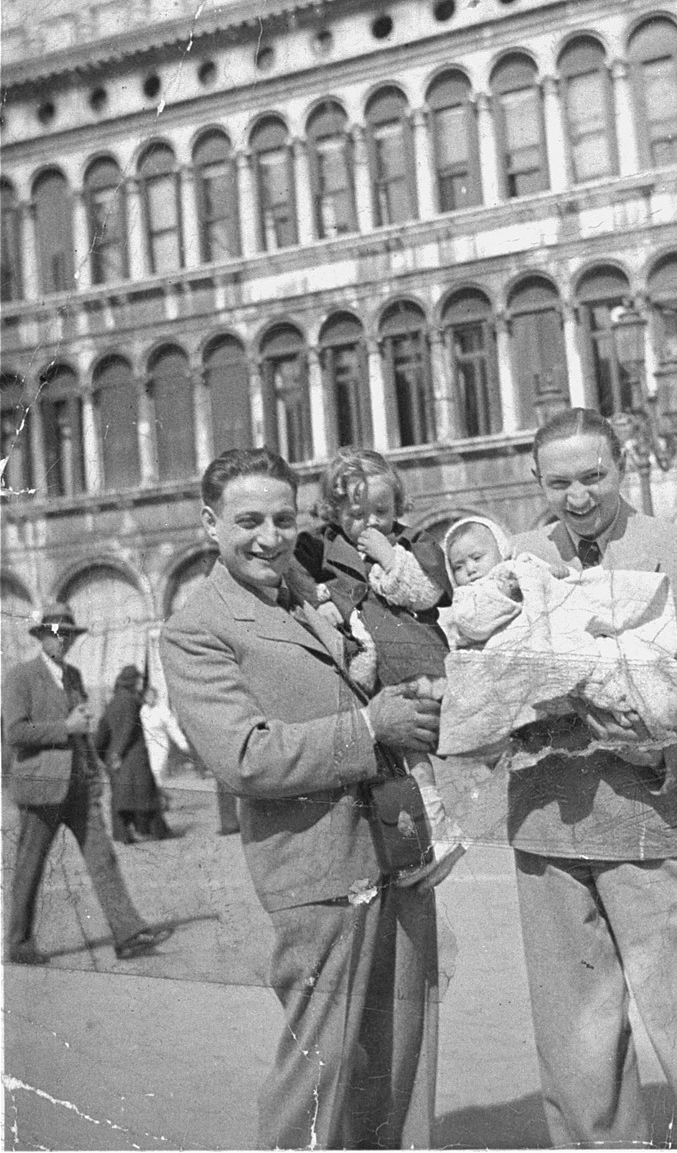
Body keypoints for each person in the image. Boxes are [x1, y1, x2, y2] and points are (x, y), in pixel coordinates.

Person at [504, 408, 677, 1149]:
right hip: (545, 824)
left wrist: (662, 753)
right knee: (575, 1039)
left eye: (593, 476)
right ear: (537, 481)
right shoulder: (518, 556)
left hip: (649, 818)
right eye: (558, 482)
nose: (578, 497)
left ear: (623, 466)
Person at [160, 447, 441, 1150]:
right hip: (316, 871)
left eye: (283, 519)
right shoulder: (198, 628)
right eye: (249, 520)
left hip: (393, 848)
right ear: (210, 523)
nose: (270, 536)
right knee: (322, 1067)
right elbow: (244, 757)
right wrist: (372, 725)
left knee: (400, 1058)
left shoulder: (308, 596)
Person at [294, 446, 464, 886]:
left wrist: (390, 557)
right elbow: (292, 575)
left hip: (408, 656)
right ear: (333, 511)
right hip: (365, 664)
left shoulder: (413, 542)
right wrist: (321, 600)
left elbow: (428, 594)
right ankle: (417, 848)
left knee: (411, 751)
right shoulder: (315, 547)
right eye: (355, 513)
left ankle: (437, 828)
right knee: (387, 759)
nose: (369, 522)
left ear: (398, 507)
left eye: (381, 511)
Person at [437, 516, 677, 759]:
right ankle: (624, 704)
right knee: (583, 684)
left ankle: (652, 694)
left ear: (500, 549)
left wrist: (555, 575)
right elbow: (474, 622)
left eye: (477, 557)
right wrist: (503, 595)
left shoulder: (523, 563)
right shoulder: (467, 596)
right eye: (458, 566)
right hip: (518, 654)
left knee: (607, 658)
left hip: (563, 637)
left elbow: (557, 584)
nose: (470, 569)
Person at [4, 605, 173, 965]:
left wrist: (94, 773)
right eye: (54, 633)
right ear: (41, 637)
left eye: (67, 634)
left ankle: (127, 932)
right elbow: (15, 733)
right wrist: (66, 727)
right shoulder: (21, 677)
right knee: (30, 865)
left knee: (103, 858)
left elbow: (81, 733)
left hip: (79, 786)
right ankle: (18, 943)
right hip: (41, 788)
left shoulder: (75, 676)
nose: (61, 640)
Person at [95, 666, 171, 843]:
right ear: (132, 682)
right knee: (146, 795)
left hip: (116, 759)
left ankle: (122, 834)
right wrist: (118, 754)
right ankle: (155, 831)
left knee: (122, 798)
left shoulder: (112, 702)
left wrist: (104, 756)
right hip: (132, 756)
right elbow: (128, 729)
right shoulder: (131, 700)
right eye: (138, 680)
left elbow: (101, 734)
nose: (140, 683)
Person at [140, 685, 190, 787]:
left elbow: (173, 727)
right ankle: (158, 798)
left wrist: (182, 743)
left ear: (156, 697)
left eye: (152, 696)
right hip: (147, 746)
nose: (149, 698)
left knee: (156, 770)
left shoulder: (162, 710)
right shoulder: (143, 711)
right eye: (147, 696)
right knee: (149, 774)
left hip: (160, 745)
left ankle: (158, 797)